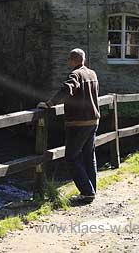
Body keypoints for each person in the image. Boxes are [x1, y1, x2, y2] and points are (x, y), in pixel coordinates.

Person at [39, 48, 100, 204]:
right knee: (89, 156)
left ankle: (87, 192)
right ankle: (91, 189)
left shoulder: (75, 74)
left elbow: (67, 88)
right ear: (83, 60)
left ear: (72, 61)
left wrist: (49, 104)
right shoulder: (92, 74)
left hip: (78, 122)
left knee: (71, 157)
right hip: (93, 120)